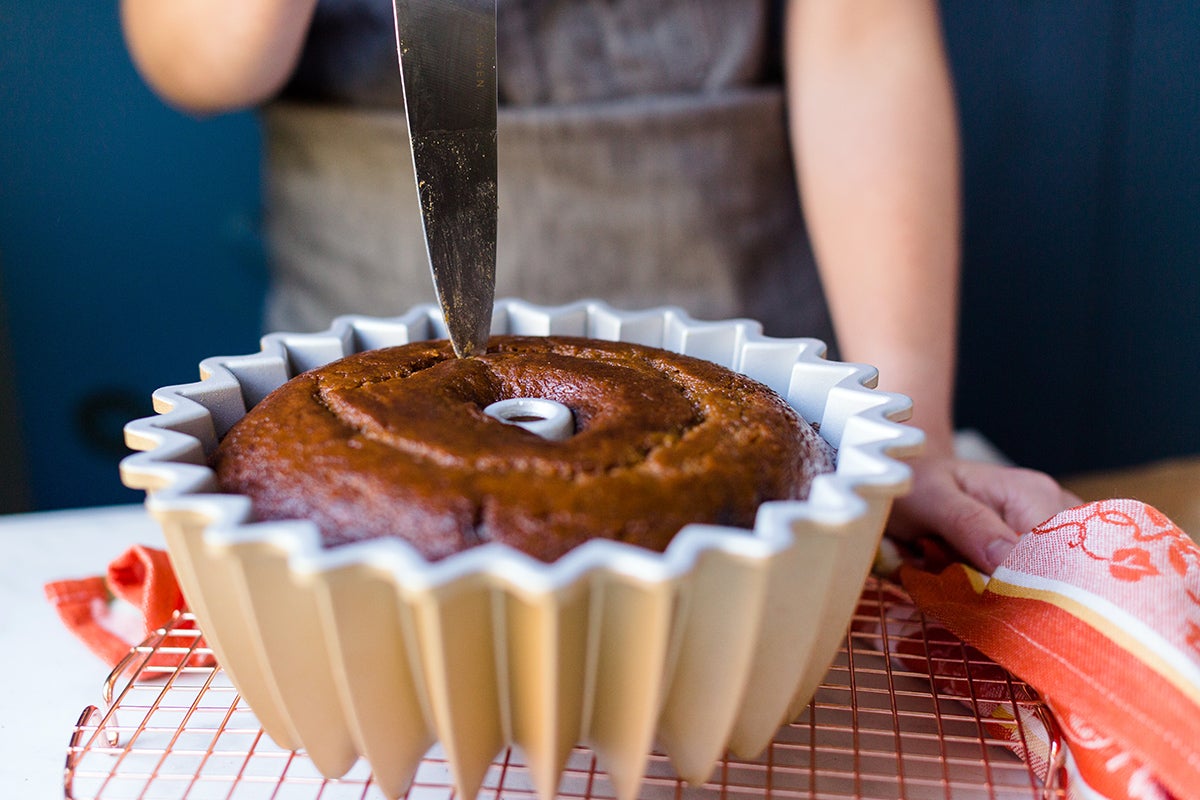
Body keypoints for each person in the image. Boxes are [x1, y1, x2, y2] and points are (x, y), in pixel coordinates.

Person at [119, 0, 1080, 572]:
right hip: (360, 396)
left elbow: (862, 34)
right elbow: (197, 58)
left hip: (750, 398)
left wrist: (905, 435)